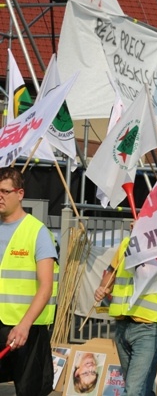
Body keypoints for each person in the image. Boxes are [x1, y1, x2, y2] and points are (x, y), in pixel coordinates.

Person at [0, 167, 58, 396]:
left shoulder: (37, 232)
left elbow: (46, 285)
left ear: (20, 193)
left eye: (5, 191)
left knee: (30, 391)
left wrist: (24, 324)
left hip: (27, 330)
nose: (0, 196)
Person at [93, 228, 157, 396]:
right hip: (123, 324)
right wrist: (103, 288)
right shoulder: (127, 244)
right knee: (139, 388)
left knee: (133, 390)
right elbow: (111, 272)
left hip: (150, 327)